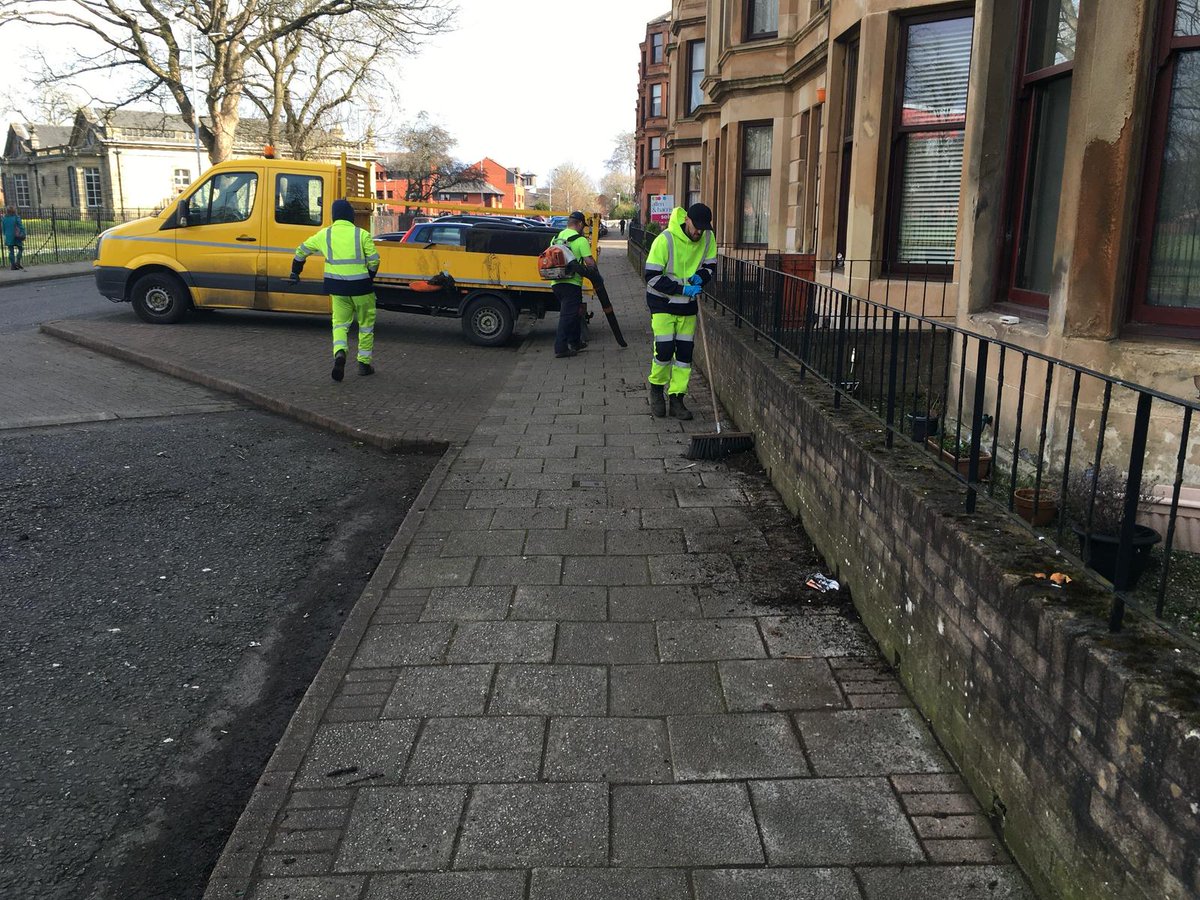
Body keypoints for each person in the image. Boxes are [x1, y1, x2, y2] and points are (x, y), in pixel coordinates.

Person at [289, 199, 381, 382]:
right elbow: (374, 260)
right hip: (362, 289)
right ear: (350, 216)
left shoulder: (325, 235)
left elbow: (300, 251)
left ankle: (339, 353)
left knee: (339, 324)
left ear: (334, 216)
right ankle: (363, 364)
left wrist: (295, 272)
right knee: (366, 325)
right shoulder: (361, 234)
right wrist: (369, 277)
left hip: (337, 288)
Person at [643, 202, 716, 420]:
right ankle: (656, 389)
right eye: (696, 227)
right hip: (662, 302)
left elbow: (711, 266)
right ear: (687, 220)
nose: (699, 232)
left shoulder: (707, 239)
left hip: (688, 306)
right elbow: (652, 276)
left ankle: (677, 398)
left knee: (684, 354)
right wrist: (683, 288)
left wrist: (701, 277)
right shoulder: (665, 240)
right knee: (665, 349)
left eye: (703, 228)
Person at [550, 210, 596, 359]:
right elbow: (589, 262)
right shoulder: (580, 240)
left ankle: (575, 342)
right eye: (584, 226)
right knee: (567, 316)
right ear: (580, 224)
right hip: (572, 283)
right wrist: (595, 273)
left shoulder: (556, 238)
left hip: (556, 282)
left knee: (574, 312)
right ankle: (561, 348)